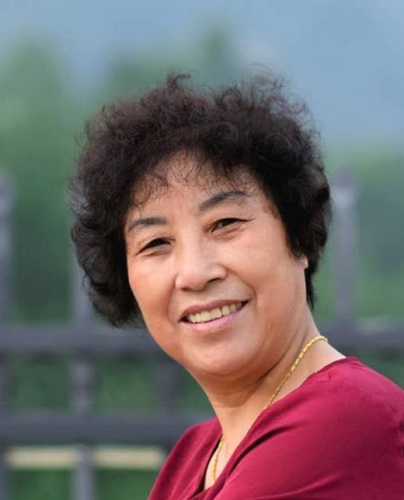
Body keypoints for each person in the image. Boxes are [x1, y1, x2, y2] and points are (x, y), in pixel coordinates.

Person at [70, 73, 404, 499]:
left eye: (225, 223)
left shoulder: (345, 418)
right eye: (156, 243)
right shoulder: (194, 454)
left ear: (298, 236)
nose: (194, 273)